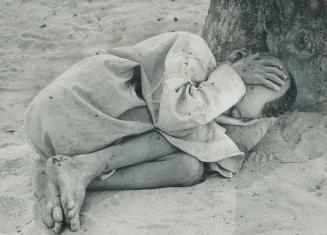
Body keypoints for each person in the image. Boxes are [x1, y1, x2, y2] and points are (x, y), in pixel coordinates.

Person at [24, 32, 296, 233]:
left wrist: (244, 116)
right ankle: (81, 168)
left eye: (235, 113)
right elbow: (176, 115)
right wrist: (234, 79)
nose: (225, 105)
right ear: (237, 61)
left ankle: (71, 174)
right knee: (192, 134)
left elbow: (215, 142)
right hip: (70, 110)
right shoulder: (194, 50)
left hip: (83, 137)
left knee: (188, 168)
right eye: (235, 92)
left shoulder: (211, 103)